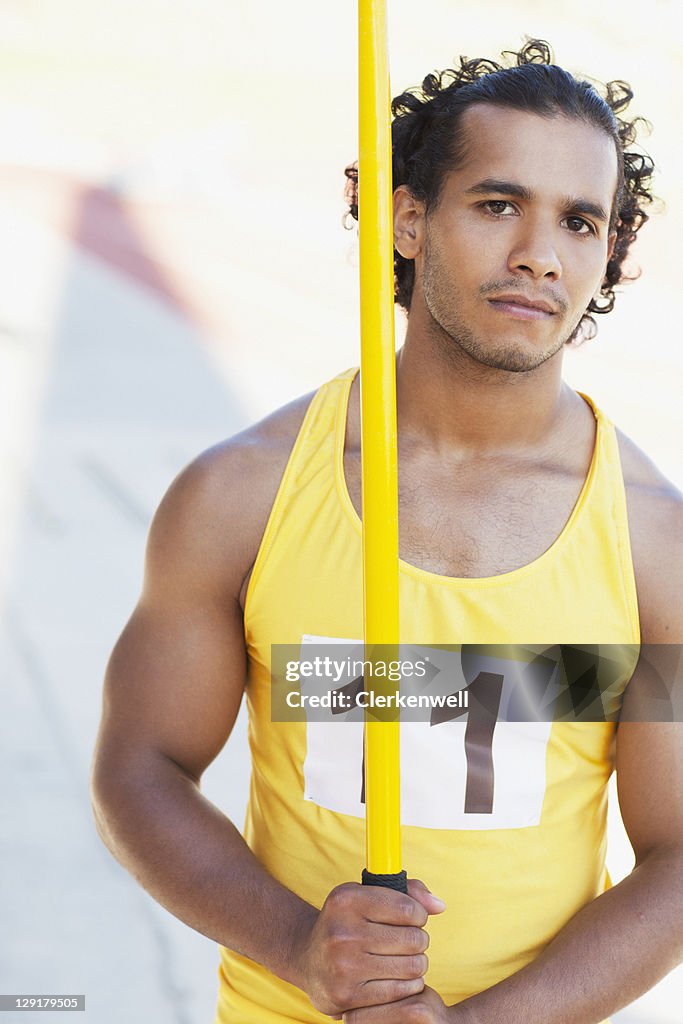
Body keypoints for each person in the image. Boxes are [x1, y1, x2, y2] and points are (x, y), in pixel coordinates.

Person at [91, 39, 683, 1024]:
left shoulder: (656, 546)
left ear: (607, 252)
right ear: (407, 218)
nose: (539, 252)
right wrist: (298, 945)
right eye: (498, 204)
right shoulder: (243, 494)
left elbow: (675, 854)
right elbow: (139, 769)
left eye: (579, 221)